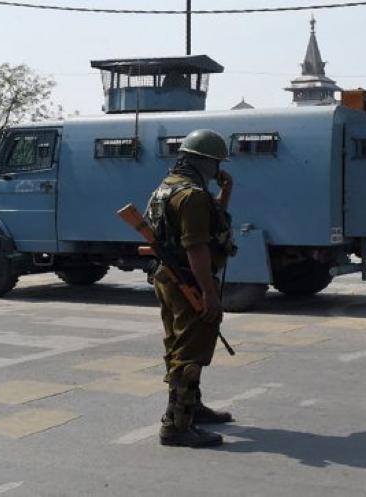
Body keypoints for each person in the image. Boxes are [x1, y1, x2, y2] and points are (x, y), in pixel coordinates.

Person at [144, 129, 237, 448]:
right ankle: (177, 425)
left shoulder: (167, 188)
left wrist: (225, 191)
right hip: (189, 282)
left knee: (178, 344)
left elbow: (209, 220)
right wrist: (209, 294)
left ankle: (191, 407)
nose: (218, 169)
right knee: (191, 352)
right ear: (205, 162)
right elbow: (196, 246)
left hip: (168, 278)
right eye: (217, 163)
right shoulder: (193, 195)